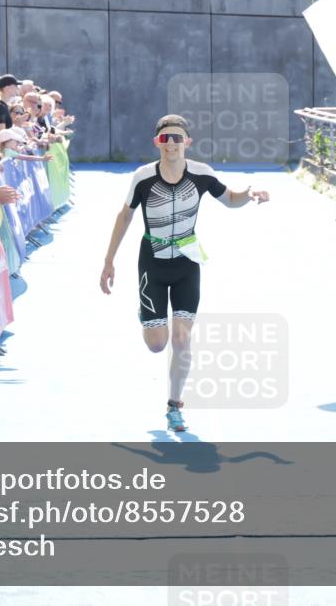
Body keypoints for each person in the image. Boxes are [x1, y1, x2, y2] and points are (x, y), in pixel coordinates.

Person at [99, 114, 270, 433]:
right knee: (156, 344)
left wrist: (250, 193)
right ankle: (148, 313)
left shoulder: (202, 174)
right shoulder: (143, 177)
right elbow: (124, 217)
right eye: (166, 139)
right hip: (152, 260)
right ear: (157, 143)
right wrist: (109, 261)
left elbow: (231, 200)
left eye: (178, 138)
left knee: (181, 338)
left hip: (187, 262)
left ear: (187, 142)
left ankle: (174, 406)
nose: (172, 144)